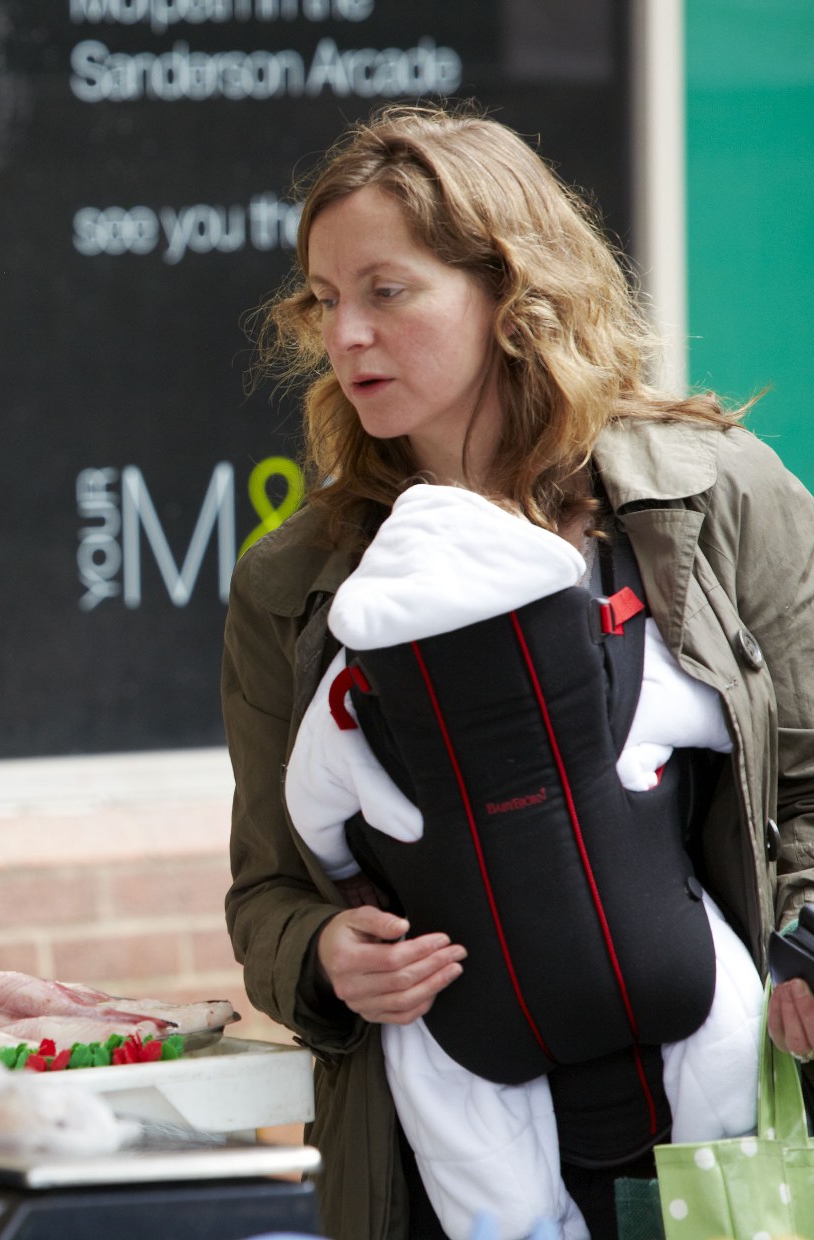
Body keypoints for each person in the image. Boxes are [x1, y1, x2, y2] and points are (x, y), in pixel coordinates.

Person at [223, 103, 814, 1239]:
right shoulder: (299, 583)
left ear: (510, 293)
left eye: (387, 292)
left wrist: (799, 944)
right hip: (445, 1167)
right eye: (324, 300)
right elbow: (269, 890)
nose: (347, 336)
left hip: (739, 1152)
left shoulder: (714, 496)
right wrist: (325, 954)